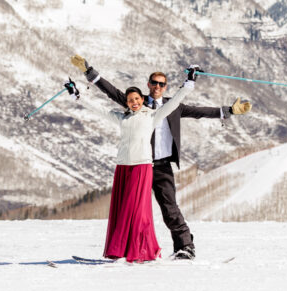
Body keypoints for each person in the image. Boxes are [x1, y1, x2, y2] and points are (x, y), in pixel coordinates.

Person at [70, 55, 252, 260]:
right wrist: (88, 71)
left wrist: (229, 111)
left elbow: (200, 111)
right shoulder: (136, 102)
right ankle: (128, 249)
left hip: (162, 166)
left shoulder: (172, 106)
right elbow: (110, 91)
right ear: (148, 84)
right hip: (139, 165)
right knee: (131, 209)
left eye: (162, 84)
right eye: (154, 83)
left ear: (165, 87)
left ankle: (185, 246)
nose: (157, 86)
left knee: (169, 208)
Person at [70, 69, 199, 262]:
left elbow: (173, 103)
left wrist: (188, 85)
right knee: (123, 211)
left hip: (142, 167)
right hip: (123, 167)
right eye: (131, 100)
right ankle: (122, 250)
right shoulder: (122, 118)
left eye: (137, 99)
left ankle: (145, 250)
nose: (135, 102)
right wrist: (77, 96)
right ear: (127, 103)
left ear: (142, 99)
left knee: (138, 211)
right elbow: (98, 110)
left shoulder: (152, 116)